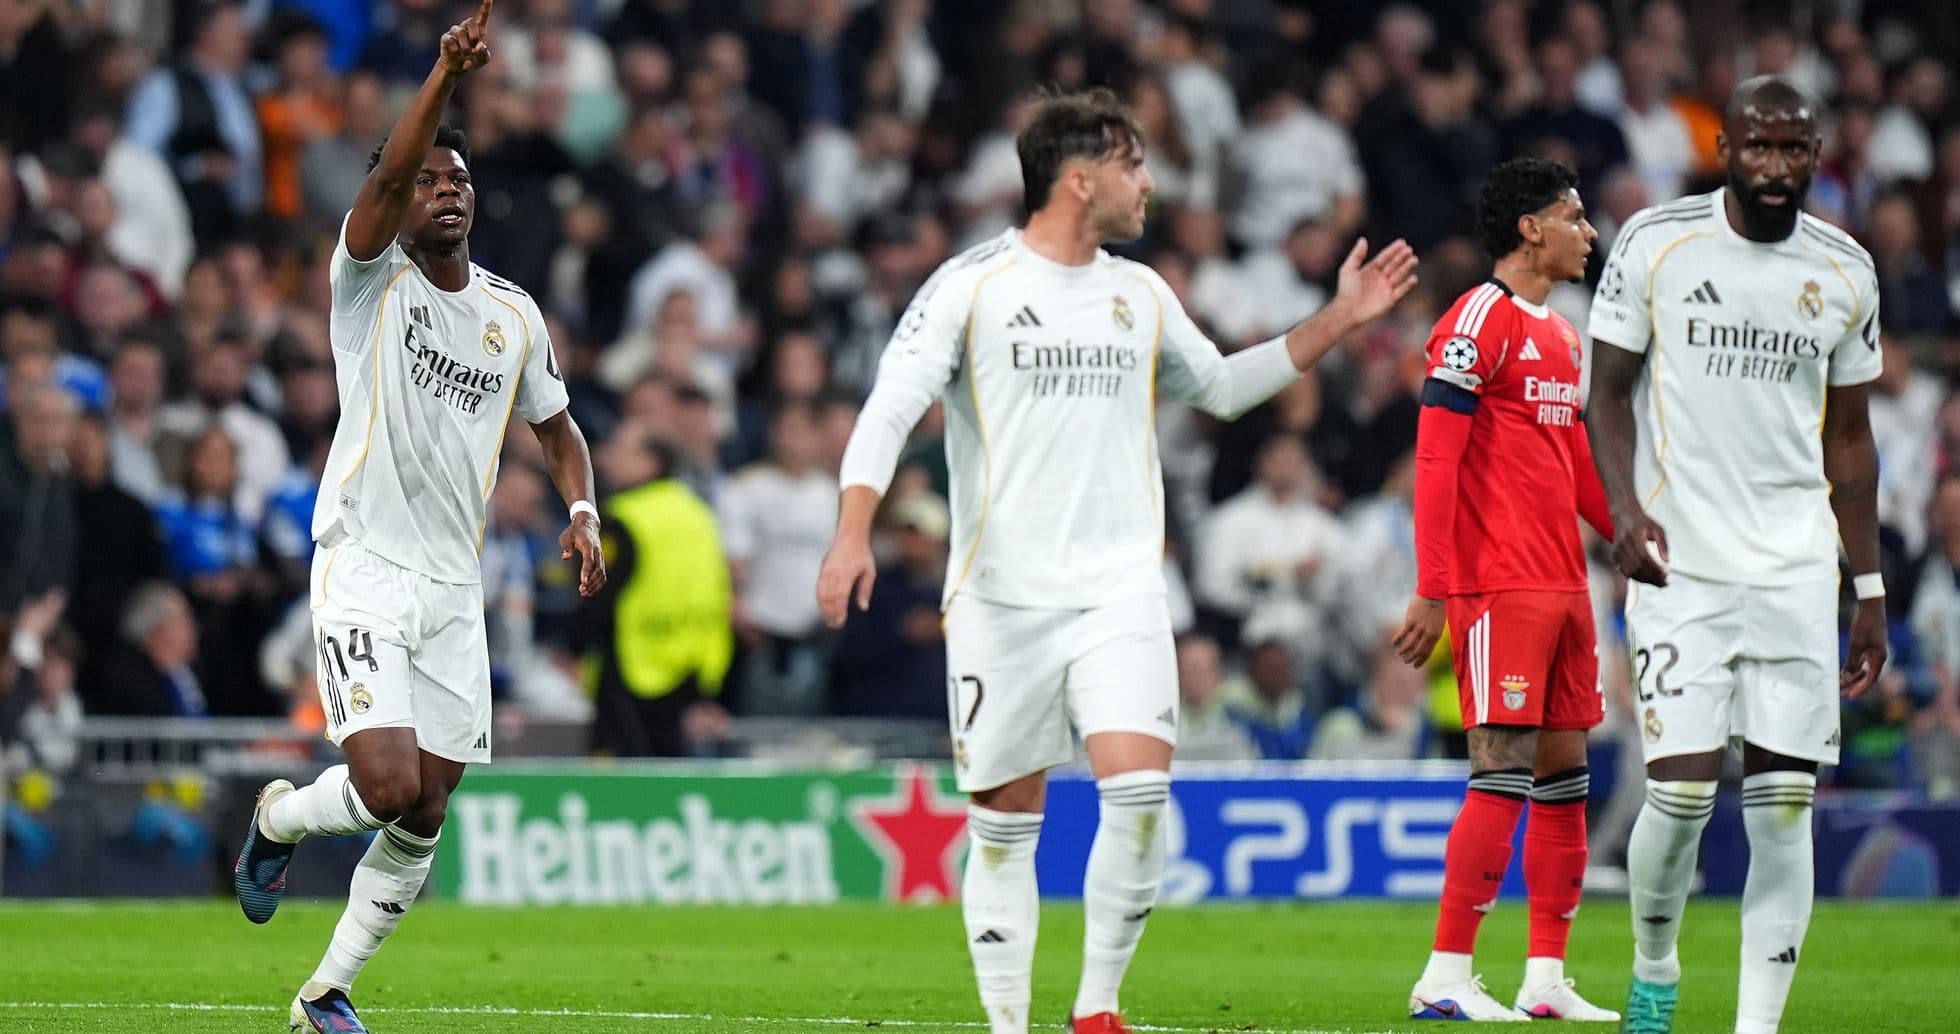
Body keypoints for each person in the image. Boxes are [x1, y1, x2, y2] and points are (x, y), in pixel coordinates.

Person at [816, 87, 1417, 1034]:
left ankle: (1096, 1009)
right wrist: (853, 530)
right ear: (1080, 176)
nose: (1151, 183)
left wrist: (1339, 320)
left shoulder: (1140, 293)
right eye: (1135, 163)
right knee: (1007, 823)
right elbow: (890, 408)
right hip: (1003, 597)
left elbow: (1218, 387)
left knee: (1138, 794)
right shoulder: (973, 286)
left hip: (1121, 590)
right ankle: (1009, 1023)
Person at [228, 4, 607, 1031]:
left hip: (453, 580)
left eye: (461, 181)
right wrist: (443, 76)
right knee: (388, 781)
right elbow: (386, 177)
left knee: (429, 804)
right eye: (429, 180)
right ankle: (280, 815)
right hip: (363, 561)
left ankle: (324, 992)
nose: (446, 192)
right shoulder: (368, 283)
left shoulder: (512, 315)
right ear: (396, 202)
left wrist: (581, 506)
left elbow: (560, 426)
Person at [1584, 77, 1888, 1034]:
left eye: (1793, 151)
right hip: (1682, 567)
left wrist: (1868, 586)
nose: (1774, 168)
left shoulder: (1845, 268)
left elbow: (1851, 440)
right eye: (1757, 148)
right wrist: (1624, 513)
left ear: (1813, 156)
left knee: (1783, 806)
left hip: (1797, 571)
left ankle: (1756, 1027)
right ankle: (1654, 968)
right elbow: (1608, 395)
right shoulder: (1656, 241)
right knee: (1676, 797)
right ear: (1726, 151)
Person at [1391, 156, 1619, 1022]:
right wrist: (1434, 587)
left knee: (1566, 775)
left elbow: (1574, 466)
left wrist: (1628, 537)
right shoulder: (1474, 320)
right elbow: (1438, 454)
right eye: (1574, 215)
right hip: (1501, 584)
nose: (1588, 232)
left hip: (1564, 581)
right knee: (1502, 767)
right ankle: (1445, 974)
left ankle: (1546, 979)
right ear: (1531, 227)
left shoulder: (1561, 334)